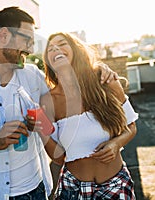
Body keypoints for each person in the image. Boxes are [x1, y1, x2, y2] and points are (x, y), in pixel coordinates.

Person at [0, 7, 117, 200]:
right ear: (4, 35)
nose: (31, 49)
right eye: (26, 40)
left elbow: (69, 90)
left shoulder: (33, 76)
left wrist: (98, 69)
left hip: (37, 190)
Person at [34, 32, 138, 199]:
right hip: (72, 189)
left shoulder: (105, 81)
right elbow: (59, 158)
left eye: (62, 44)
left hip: (115, 185)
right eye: (50, 49)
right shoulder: (48, 101)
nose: (56, 49)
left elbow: (131, 126)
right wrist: (40, 130)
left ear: (76, 49)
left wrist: (116, 144)